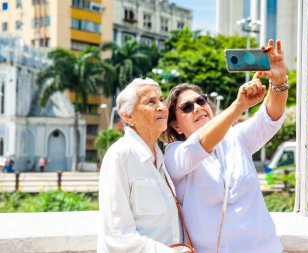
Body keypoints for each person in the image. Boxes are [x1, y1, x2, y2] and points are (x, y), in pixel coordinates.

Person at [161, 39, 288, 253]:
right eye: (187, 106)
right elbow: (199, 146)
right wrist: (238, 106)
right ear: (175, 125)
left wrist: (279, 81)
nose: (198, 107)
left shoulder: (236, 138)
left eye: (201, 101)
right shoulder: (174, 154)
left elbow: (270, 117)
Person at [97, 78, 184, 253]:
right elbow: (117, 235)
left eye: (161, 99)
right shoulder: (120, 155)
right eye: (151, 102)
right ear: (127, 116)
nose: (162, 107)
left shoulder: (161, 158)